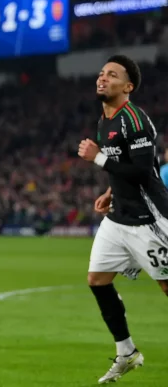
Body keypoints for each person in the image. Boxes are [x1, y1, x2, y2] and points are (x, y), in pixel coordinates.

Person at [77, 55, 168, 384]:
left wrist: (98, 158)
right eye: (101, 73)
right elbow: (123, 167)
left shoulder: (135, 119)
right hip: (118, 220)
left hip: (150, 219)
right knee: (97, 280)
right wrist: (111, 193)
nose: (103, 78)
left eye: (112, 75)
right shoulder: (105, 120)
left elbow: (144, 170)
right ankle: (127, 352)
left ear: (128, 87)